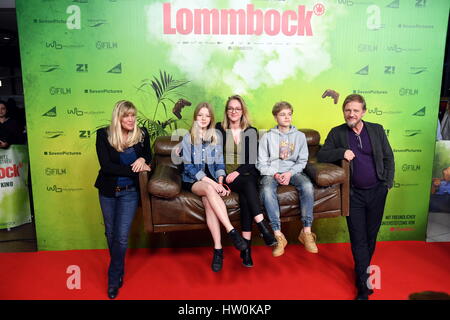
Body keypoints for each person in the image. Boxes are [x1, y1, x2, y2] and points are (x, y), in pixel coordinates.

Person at [317, 94, 395, 300]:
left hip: (378, 191)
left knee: (370, 236)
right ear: (343, 111)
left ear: (363, 112)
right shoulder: (337, 133)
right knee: (358, 238)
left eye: (355, 110)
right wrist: (342, 152)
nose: (351, 114)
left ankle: (362, 270)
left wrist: (387, 184)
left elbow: (389, 157)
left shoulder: (376, 130)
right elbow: (322, 155)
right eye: (347, 110)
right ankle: (363, 283)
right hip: (353, 194)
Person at [181, 102, 248, 272]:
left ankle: (218, 250)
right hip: (193, 181)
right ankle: (231, 231)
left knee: (208, 201)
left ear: (211, 119)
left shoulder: (215, 137)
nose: (203, 118)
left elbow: (219, 163)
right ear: (195, 117)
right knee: (209, 190)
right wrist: (213, 185)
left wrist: (220, 181)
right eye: (200, 115)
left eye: (207, 115)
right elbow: (188, 168)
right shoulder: (188, 138)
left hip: (211, 182)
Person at [94, 100, 152, 299]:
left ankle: (114, 276)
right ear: (118, 117)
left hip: (130, 192)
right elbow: (107, 167)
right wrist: (135, 169)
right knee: (110, 233)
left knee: (120, 236)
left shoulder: (142, 134)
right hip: (108, 191)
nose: (130, 119)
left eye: (133, 115)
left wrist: (143, 160)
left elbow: (149, 157)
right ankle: (118, 267)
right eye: (126, 115)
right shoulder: (103, 135)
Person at [216, 95, 277, 268]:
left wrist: (238, 172)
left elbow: (251, 161)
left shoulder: (250, 130)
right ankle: (262, 227)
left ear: (243, 111)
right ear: (227, 112)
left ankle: (246, 251)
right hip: (228, 175)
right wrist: (230, 174)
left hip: (246, 172)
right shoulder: (219, 129)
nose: (234, 111)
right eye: (230, 108)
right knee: (248, 187)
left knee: (246, 196)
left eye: (237, 108)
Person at [257, 101, 318, 257]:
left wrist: (290, 173)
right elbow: (261, 163)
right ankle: (278, 235)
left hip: (293, 172)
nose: (286, 117)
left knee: (307, 186)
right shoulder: (267, 137)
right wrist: (276, 174)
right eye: (282, 114)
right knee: (266, 189)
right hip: (272, 172)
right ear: (275, 117)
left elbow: (302, 161)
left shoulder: (300, 137)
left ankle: (306, 233)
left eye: (289, 114)